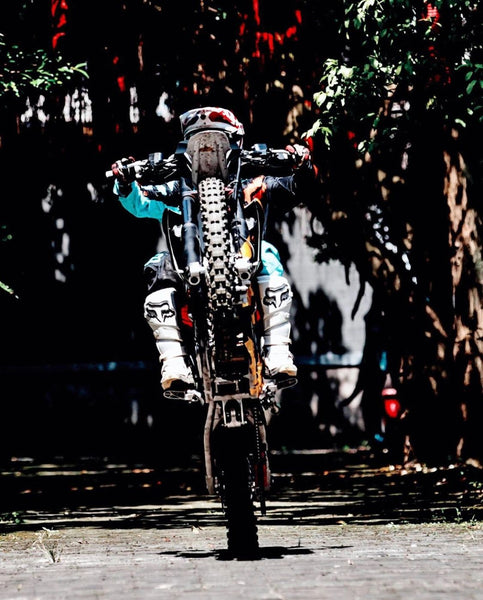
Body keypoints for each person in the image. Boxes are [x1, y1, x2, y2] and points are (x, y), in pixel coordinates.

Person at [111, 106, 317, 392]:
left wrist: (303, 166)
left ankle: (278, 350)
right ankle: (174, 361)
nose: (209, 155)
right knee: (157, 266)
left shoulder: (254, 183)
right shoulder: (176, 188)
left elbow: (296, 187)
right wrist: (125, 182)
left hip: (248, 260)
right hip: (188, 264)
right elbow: (140, 202)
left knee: (267, 254)